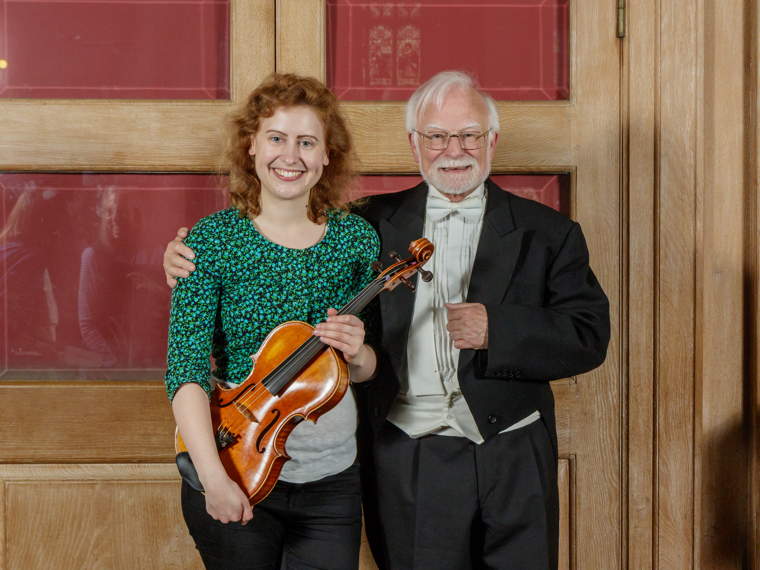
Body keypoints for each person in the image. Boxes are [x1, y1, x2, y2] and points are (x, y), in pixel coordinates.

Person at [165, 71, 610, 570]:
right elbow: (195, 350)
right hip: (406, 454)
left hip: (511, 450)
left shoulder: (547, 232)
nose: (453, 149)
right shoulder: (371, 224)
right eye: (437, 136)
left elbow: (589, 337)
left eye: (469, 134)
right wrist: (180, 259)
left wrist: (497, 330)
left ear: (493, 140)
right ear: (414, 144)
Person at [165, 73, 379, 570]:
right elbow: (185, 371)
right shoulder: (213, 239)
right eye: (276, 138)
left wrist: (361, 352)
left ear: (327, 155)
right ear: (251, 147)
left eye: (307, 142)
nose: (291, 156)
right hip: (236, 467)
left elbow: (368, 369)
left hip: (332, 480)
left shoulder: (357, 241)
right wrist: (213, 478)